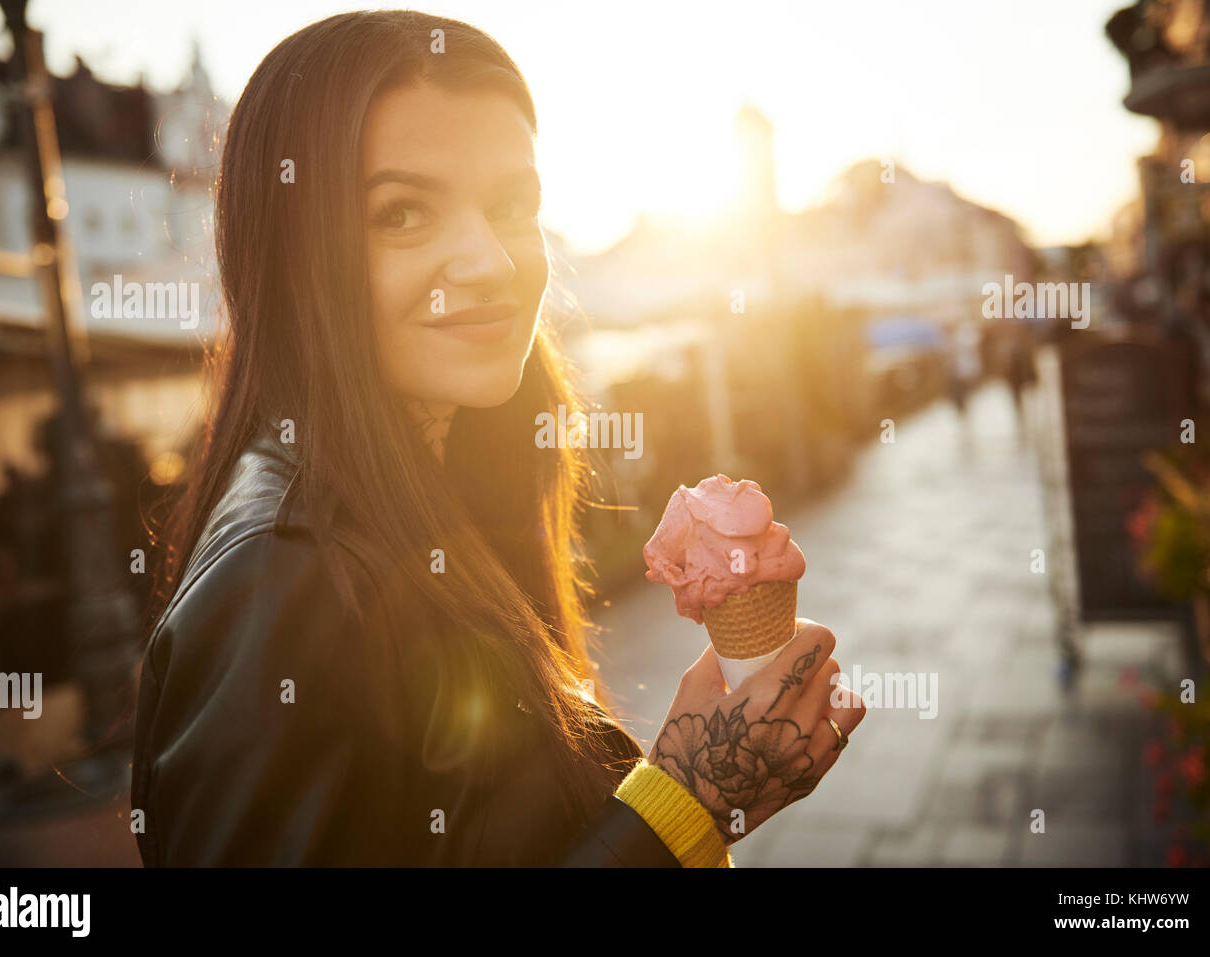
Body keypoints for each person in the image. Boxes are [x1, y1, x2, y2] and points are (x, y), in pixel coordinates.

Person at [131, 10, 865, 867]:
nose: (489, 260)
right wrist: (688, 801)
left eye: (512, 204)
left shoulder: (452, 479)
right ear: (294, 254)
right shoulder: (280, 574)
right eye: (401, 213)